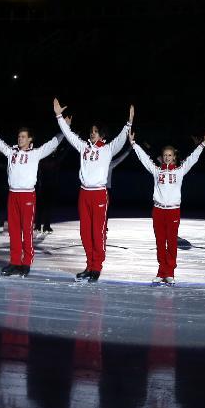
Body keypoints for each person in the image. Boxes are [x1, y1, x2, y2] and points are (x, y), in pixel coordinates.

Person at [54, 98, 133, 283]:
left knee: (97, 232)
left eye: (95, 132)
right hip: (84, 193)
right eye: (91, 132)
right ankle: (89, 265)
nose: (92, 134)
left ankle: (97, 267)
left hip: (99, 193)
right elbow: (69, 134)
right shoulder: (83, 147)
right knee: (84, 232)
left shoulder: (107, 149)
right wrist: (58, 116)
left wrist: (129, 123)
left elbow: (121, 140)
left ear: (102, 134)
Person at [0, 108, 66, 277]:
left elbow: (52, 143)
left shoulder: (35, 153)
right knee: (13, 230)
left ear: (30, 139)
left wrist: (63, 130)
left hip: (27, 196)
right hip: (13, 195)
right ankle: (14, 262)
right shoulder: (11, 152)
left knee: (26, 230)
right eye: (19, 136)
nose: (20, 139)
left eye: (23, 137)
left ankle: (26, 263)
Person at [131, 128, 205, 285]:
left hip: (173, 211)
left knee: (172, 242)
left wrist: (203, 143)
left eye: (170, 155)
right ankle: (161, 272)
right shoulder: (156, 170)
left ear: (174, 157)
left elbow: (192, 159)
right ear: (161, 157)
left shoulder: (180, 171)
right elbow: (144, 159)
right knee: (160, 242)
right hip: (158, 210)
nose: (167, 158)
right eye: (165, 155)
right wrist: (133, 144)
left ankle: (170, 272)